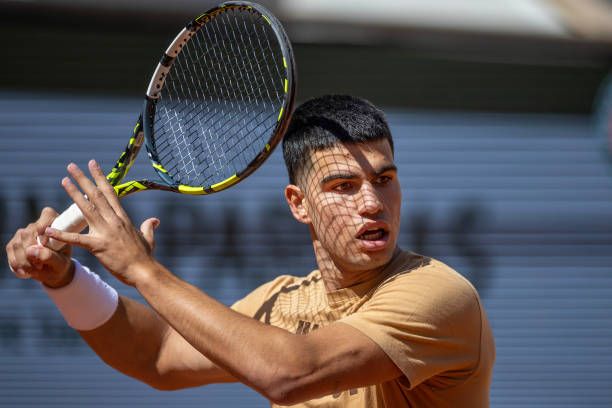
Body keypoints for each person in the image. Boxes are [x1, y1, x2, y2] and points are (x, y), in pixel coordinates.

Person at [6, 95, 495, 407]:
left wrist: (142, 270)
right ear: (298, 204)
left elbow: (289, 375)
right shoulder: (282, 302)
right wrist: (64, 282)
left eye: (384, 180)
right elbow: (155, 354)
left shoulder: (439, 295)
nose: (371, 203)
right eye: (343, 186)